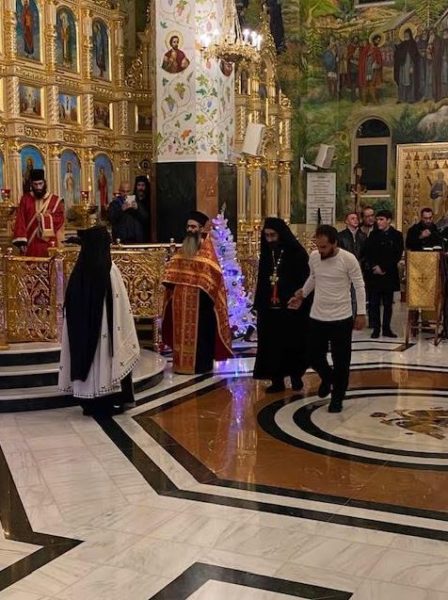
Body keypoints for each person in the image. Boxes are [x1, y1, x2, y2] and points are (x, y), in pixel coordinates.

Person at [58, 225, 139, 415]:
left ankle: (88, 403)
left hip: (83, 334)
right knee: (102, 361)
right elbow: (120, 306)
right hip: (104, 332)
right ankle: (106, 401)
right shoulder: (110, 269)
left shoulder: (79, 269)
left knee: (88, 359)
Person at [288, 225, 366, 413]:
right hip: (318, 315)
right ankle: (328, 378)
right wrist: (302, 294)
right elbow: (314, 277)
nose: (320, 250)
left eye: (324, 247)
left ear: (334, 243)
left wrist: (361, 313)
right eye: (318, 246)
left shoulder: (348, 259)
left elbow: (359, 286)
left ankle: (337, 397)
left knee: (341, 360)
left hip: (341, 317)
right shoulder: (314, 257)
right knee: (312, 355)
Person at [162, 211, 232, 374]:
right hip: (180, 302)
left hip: (202, 303)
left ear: (201, 229)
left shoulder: (207, 252)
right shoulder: (183, 250)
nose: (190, 230)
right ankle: (180, 365)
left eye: (193, 227)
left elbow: (214, 277)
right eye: (188, 227)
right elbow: (171, 272)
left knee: (202, 335)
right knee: (180, 334)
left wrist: (203, 288)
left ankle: (201, 366)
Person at [253, 218, 310, 393]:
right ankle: (276, 380)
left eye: (273, 235)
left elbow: (306, 281)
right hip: (269, 310)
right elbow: (262, 281)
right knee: (271, 346)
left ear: (281, 234)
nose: (270, 239)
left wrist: (298, 298)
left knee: (293, 343)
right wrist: (260, 304)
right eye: (267, 236)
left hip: (290, 308)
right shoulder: (267, 253)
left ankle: (296, 377)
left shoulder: (297, 253)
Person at [363, 210, 404, 339]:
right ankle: (376, 328)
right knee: (374, 303)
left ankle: (386, 328)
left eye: (381, 219)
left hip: (388, 274)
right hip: (375, 274)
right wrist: (374, 266)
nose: (378, 222)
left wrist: (384, 268)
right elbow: (367, 252)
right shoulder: (373, 235)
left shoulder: (397, 235)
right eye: (378, 219)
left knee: (387, 303)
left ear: (388, 220)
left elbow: (397, 254)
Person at [13, 169, 64, 257]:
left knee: (49, 264)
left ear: (45, 183)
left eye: (40, 184)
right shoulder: (25, 199)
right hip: (30, 242)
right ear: (31, 184)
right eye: (35, 184)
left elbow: (60, 219)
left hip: (48, 243)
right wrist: (22, 242)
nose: (38, 187)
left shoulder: (54, 200)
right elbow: (20, 220)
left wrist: (44, 218)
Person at [108, 176, 150, 243]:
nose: (125, 194)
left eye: (127, 191)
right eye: (123, 191)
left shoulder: (137, 202)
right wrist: (121, 210)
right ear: (120, 191)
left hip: (136, 239)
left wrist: (138, 208)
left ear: (131, 191)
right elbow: (111, 219)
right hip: (121, 239)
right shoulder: (115, 204)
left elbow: (146, 218)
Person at [394, 28, 421, 103]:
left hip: (410, 66)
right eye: (404, 34)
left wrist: (412, 66)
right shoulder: (402, 44)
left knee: (411, 82)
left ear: (410, 35)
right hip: (402, 67)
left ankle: (410, 98)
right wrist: (396, 47)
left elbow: (415, 56)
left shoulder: (413, 44)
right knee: (402, 82)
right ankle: (401, 98)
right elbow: (398, 53)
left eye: (407, 34)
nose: (405, 35)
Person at [358, 34, 383, 104]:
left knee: (372, 84)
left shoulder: (377, 49)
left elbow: (380, 60)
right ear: (373, 40)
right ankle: (364, 100)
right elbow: (362, 58)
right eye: (377, 40)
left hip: (373, 70)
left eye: (379, 41)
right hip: (365, 69)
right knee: (365, 84)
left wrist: (377, 64)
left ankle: (374, 99)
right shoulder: (367, 48)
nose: (378, 42)